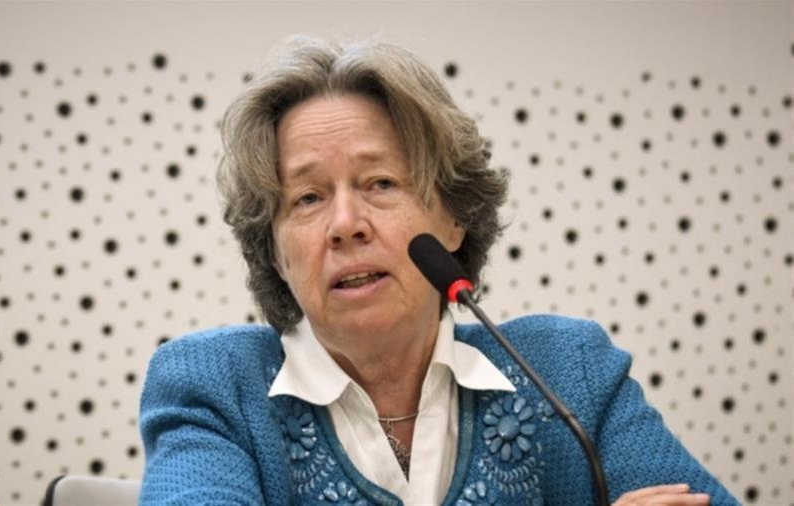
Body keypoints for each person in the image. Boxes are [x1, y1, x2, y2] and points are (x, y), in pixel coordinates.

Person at [139, 36, 739, 505]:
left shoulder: (569, 373)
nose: (345, 224)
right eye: (308, 198)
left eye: (381, 183)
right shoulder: (213, 387)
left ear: (453, 218)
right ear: (274, 249)